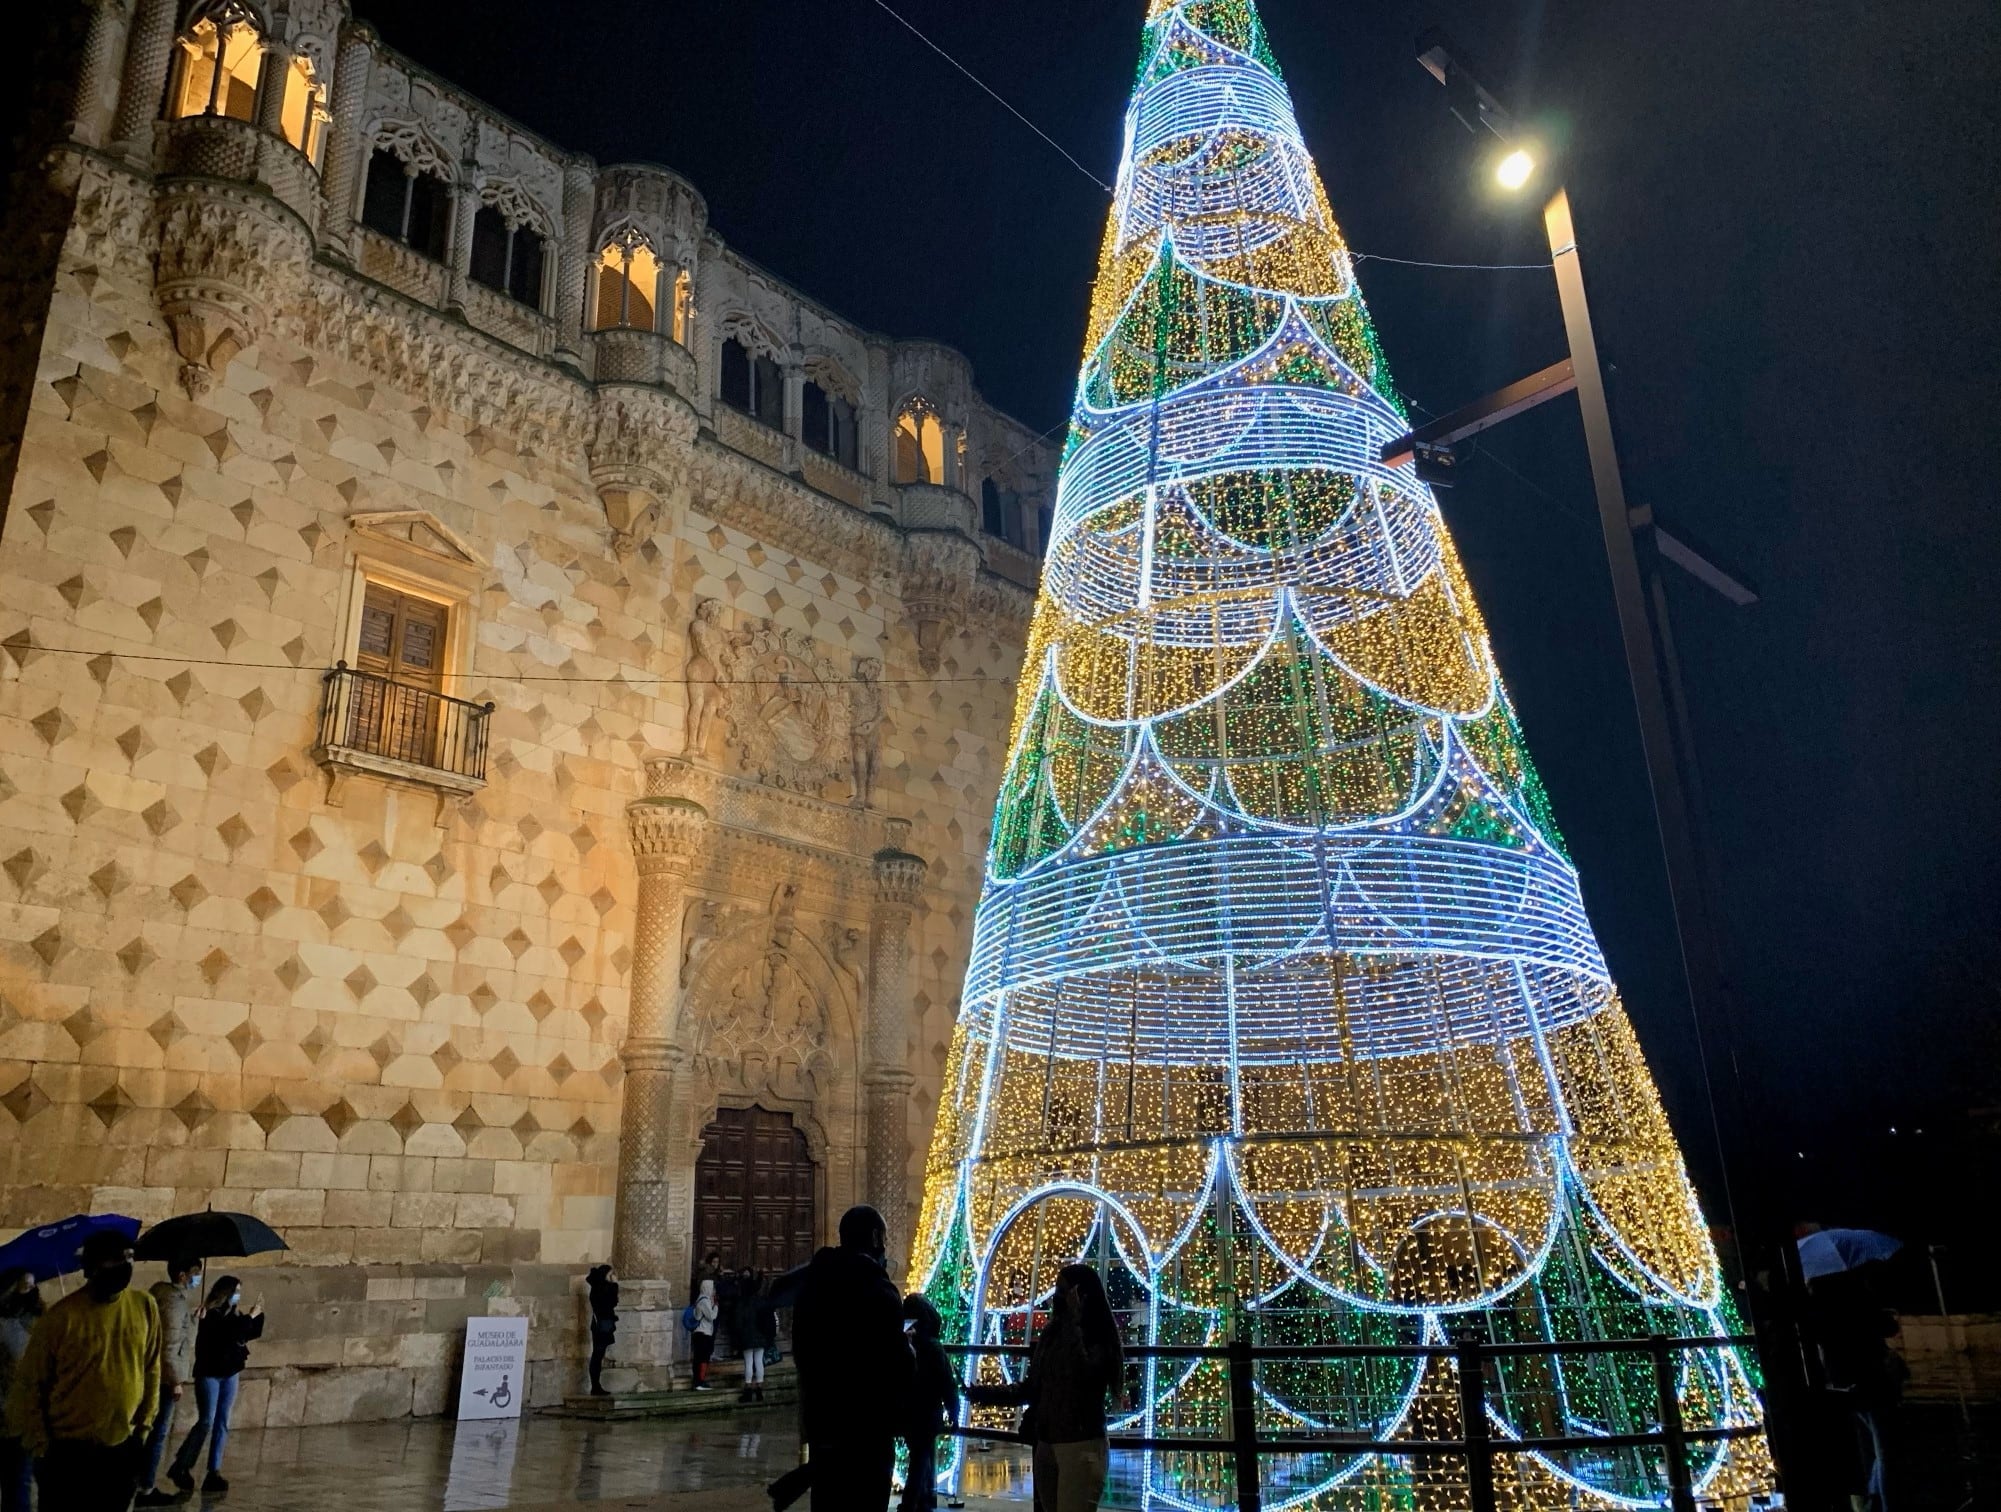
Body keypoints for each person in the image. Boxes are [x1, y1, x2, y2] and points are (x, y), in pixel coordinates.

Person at [3, 1229, 161, 1512]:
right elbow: (30, 1385)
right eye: (117, 1260)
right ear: (94, 1267)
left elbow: (151, 1369)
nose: (125, 1267)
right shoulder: (61, 1318)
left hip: (121, 1446)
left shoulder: (144, 1306)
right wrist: (41, 1446)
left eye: (129, 1259)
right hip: (67, 1451)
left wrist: (143, 1429)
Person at [966, 1264, 1125, 1512]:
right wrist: (985, 1394)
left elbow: (1085, 1375)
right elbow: (1033, 1386)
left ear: (1080, 1294)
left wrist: (1074, 1323)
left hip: (1080, 1444)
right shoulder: (1052, 1333)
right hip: (1047, 1442)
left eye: (1063, 1290)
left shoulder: (1097, 1336)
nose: (1056, 1297)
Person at [788, 1204, 912, 1512]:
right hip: (867, 1430)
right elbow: (897, 1364)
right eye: (883, 1236)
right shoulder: (877, 1288)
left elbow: (801, 1349)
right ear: (874, 1237)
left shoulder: (813, 1286)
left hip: (824, 1422)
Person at [166, 1276, 263, 1495]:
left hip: (230, 1372)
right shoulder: (209, 1315)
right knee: (206, 1420)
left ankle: (214, 1471)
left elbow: (245, 1334)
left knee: (222, 1421)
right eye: (236, 1291)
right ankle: (182, 1464)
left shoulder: (235, 1315)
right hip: (210, 1373)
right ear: (226, 1292)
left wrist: (254, 1317)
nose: (238, 1295)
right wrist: (250, 1317)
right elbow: (228, 1334)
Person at [135, 1254, 202, 1507]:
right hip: (163, 1378)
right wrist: (175, 1380)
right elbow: (170, 1344)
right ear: (182, 1275)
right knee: (157, 1433)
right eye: (195, 1273)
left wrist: (194, 1319)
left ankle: (140, 1483)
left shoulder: (166, 1298)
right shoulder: (173, 1302)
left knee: (150, 1431)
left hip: (154, 1373)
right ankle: (146, 1486)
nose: (198, 1278)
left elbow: (182, 1336)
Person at [900, 1295, 958, 1512]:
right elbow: (947, 1383)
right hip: (927, 1412)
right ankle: (913, 1502)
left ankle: (920, 1501)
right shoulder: (933, 1346)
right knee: (920, 1459)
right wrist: (954, 1410)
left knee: (918, 1457)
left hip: (907, 1411)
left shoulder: (905, 1343)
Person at [0, 1269, 43, 1512]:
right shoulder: (14, 1327)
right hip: (14, 1415)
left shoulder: (40, 1322)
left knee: (17, 1483)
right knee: (17, 1484)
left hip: (21, 1418)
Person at [734, 1270, 771, 1403]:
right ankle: (759, 1389)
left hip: (747, 1336)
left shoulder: (742, 1304)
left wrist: (738, 1338)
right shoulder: (760, 1302)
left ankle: (748, 1389)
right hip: (760, 1336)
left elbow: (738, 1323)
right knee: (759, 1361)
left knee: (749, 1363)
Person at [585, 1264, 618, 1397]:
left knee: (598, 1355)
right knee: (597, 1355)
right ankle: (595, 1386)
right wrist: (614, 1284)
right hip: (601, 1324)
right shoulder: (602, 1288)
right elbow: (612, 1302)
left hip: (601, 1323)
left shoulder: (598, 1288)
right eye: (610, 1274)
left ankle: (596, 1385)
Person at [690, 1278, 719, 1391]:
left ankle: (699, 1381)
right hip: (703, 1333)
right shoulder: (704, 1301)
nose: (714, 1290)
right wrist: (716, 1306)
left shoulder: (701, 1299)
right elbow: (711, 1316)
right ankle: (699, 1382)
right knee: (702, 1358)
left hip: (700, 1333)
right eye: (712, 1288)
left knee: (700, 1357)